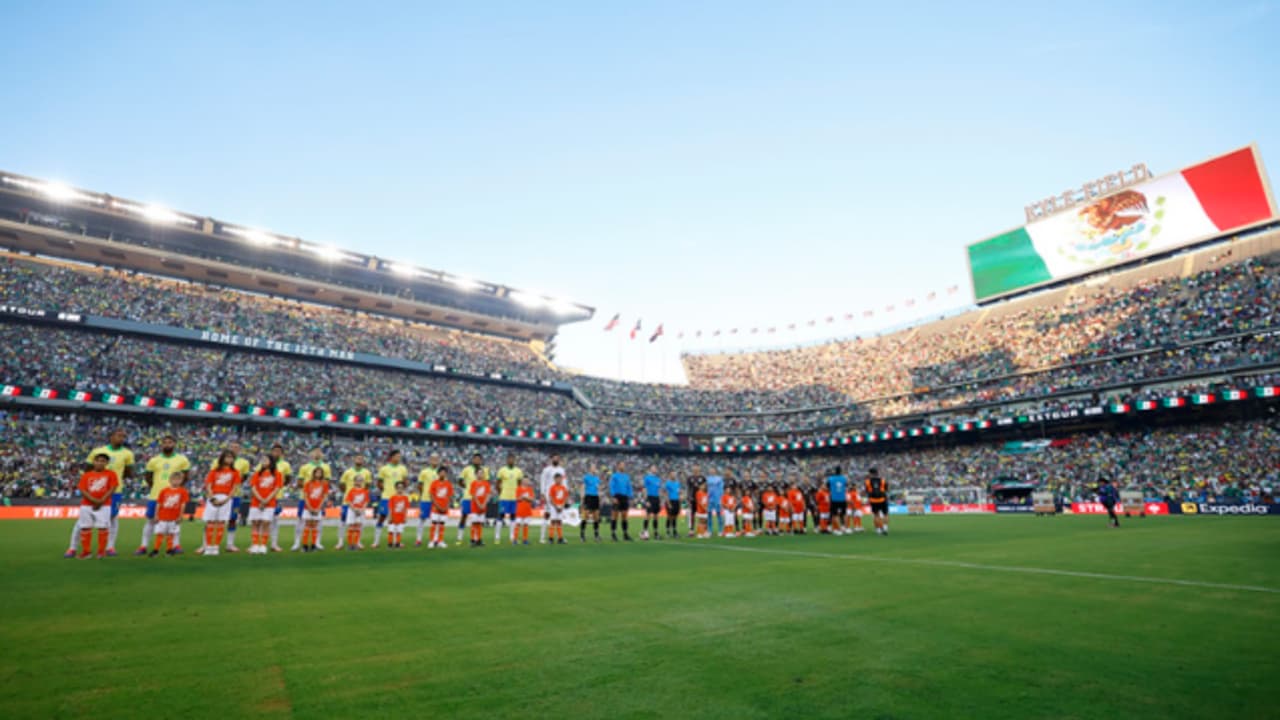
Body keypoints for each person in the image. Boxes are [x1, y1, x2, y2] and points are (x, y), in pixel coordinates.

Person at [66, 428, 135, 559]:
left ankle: (109, 547)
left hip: (115, 491)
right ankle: (73, 547)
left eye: (123, 436)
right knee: (82, 522)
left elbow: (129, 472)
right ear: (111, 436)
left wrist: (116, 479)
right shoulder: (97, 451)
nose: (122, 438)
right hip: (94, 491)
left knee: (112, 519)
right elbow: (87, 470)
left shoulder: (128, 453)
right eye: (119, 435)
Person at [136, 435, 191, 556]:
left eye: (170, 442)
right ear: (161, 445)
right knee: (150, 520)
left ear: (174, 444)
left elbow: (186, 476)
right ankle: (143, 546)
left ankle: (176, 545)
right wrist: (156, 487)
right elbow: (148, 476)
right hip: (156, 495)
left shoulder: (182, 460)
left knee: (175, 521)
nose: (167, 444)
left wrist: (176, 489)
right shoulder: (154, 460)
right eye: (165, 442)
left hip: (174, 497)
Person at [202, 443, 250, 554]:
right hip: (214, 495)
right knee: (210, 520)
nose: (234, 449)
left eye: (237, 447)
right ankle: (205, 545)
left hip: (233, 496)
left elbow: (244, 478)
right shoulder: (215, 465)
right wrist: (212, 497)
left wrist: (228, 497)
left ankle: (229, 544)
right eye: (232, 447)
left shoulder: (243, 463)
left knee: (231, 519)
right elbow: (209, 482)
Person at [75, 453, 118, 559]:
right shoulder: (86, 475)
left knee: (103, 528)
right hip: (86, 505)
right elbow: (83, 490)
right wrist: (95, 501)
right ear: (93, 462)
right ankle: (86, 552)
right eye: (97, 460)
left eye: (103, 461)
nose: (100, 463)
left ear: (107, 463)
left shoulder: (111, 474)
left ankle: (101, 552)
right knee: (85, 527)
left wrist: (101, 501)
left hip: (104, 505)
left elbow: (112, 488)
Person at [293, 449, 332, 551]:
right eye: (315, 452)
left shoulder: (326, 467)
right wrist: (309, 489)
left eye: (319, 452)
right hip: (305, 498)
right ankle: (297, 542)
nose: (317, 453)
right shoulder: (304, 467)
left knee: (318, 521)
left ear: (322, 455)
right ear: (311, 454)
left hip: (318, 500)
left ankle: (317, 542)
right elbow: (300, 482)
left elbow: (327, 483)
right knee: (301, 520)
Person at [248, 455, 284, 555]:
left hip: (270, 502)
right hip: (256, 502)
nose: (263, 461)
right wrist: (260, 499)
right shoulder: (257, 474)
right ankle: (255, 545)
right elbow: (253, 487)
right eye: (262, 459)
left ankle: (263, 545)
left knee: (265, 522)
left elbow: (277, 488)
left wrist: (266, 500)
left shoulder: (277, 474)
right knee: (255, 522)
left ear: (271, 461)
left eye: (266, 459)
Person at [150, 471, 190, 557]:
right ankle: (156, 550)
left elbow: (183, 504)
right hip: (162, 516)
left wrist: (180, 516)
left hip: (174, 517)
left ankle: (169, 550)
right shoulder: (164, 491)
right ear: (170, 480)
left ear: (181, 481)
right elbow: (159, 503)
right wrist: (156, 515)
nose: (176, 481)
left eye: (178, 479)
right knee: (159, 533)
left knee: (171, 534)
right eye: (174, 479)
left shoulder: (183, 491)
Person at [375, 449, 409, 549]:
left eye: (399, 456)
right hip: (386, 497)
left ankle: (396, 541)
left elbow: (405, 482)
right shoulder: (384, 469)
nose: (399, 458)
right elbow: (379, 483)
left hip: (399, 499)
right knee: (382, 517)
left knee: (398, 520)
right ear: (392, 457)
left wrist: (401, 493)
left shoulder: (403, 468)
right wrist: (385, 490)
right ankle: (376, 541)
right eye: (397, 456)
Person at [337, 455, 372, 549]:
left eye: (361, 458)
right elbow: (341, 484)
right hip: (348, 501)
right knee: (343, 521)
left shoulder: (366, 472)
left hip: (360, 502)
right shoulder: (348, 472)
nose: (359, 460)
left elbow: (368, 485)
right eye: (357, 458)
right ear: (354, 459)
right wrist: (348, 493)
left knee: (359, 523)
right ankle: (340, 542)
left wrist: (361, 495)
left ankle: (358, 542)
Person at [458, 453, 490, 545]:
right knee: (464, 516)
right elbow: (460, 481)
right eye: (475, 459)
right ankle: (460, 536)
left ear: (481, 460)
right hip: (468, 497)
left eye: (479, 459)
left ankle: (477, 538)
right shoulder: (466, 469)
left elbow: (486, 483)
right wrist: (466, 487)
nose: (477, 460)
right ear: (472, 460)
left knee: (478, 520)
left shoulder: (485, 470)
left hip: (480, 500)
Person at [266, 444, 293, 553]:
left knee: (275, 520)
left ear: (281, 453)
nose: (276, 453)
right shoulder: (265, 462)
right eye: (275, 451)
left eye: (279, 451)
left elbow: (288, 478)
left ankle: (274, 543)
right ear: (271, 452)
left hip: (277, 495)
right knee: (263, 520)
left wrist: (279, 487)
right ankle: (260, 543)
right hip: (264, 495)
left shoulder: (285, 464)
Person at [495, 454, 524, 545]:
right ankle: (497, 537)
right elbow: (497, 484)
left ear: (514, 460)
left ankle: (512, 536)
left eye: (512, 459)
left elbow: (519, 485)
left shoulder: (518, 471)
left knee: (513, 517)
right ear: (507, 460)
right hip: (504, 497)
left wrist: (518, 495)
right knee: (501, 516)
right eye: (509, 459)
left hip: (514, 498)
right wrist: (501, 493)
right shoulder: (502, 470)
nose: (511, 460)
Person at [300, 467, 330, 552]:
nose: (318, 474)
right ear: (314, 473)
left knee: (315, 526)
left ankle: (313, 545)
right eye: (317, 472)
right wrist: (309, 507)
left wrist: (319, 507)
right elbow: (305, 496)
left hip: (318, 508)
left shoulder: (324, 484)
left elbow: (324, 496)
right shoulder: (308, 483)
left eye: (320, 473)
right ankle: (305, 546)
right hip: (308, 507)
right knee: (307, 525)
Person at [414, 453, 441, 546]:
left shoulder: (441, 472)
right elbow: (420, 485)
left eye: (436, 458)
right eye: (433, 458)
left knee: (436, 520)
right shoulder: (424, 472)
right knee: (422, 519)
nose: (435, 460)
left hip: (437, 500)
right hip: (426, 499)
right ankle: (418, 539)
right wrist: (423, 494)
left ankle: (435, 539)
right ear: (430, 460)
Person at [538, 453, 565, 544]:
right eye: (554, 458)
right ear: (551, 459)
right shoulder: (546, 470)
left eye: (557, 458)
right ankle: (542, 537)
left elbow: (564, 482)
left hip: (559, 496)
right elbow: (543, 481)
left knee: (558, 517)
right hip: (548, 495)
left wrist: (565, 494)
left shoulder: (561, 470)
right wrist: (542, 493)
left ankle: (559, 537)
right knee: (547, 515)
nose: (556, 459)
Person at [426, 466, 453, 549]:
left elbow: (450, 496)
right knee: (434, 524)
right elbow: (431, 495)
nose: (443, 474)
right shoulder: (434, 483)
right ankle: (432, 541)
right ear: (438, 473)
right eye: (441, 472)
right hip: (435, 507)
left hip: (444, 507)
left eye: (444, 472)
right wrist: (437, 505)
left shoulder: (448, 484)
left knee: (442, 524)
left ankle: (440, 541)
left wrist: (447, 506)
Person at [344, 473, 371, 550]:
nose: (359, 482)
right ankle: (350, 544)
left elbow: (366, 501)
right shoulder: (351, 491)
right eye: (358, 480)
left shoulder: (365, 491)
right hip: (352, 511)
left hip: (360, 511)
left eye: (361, 480)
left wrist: (362, 509)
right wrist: (354, 509)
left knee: (357, 527)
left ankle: (355, 544)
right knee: (351, 527)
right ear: (354, 481)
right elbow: (349, 501)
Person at [609, 462, 633, 542]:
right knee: (615, 516)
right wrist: (613, 496)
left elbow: (629, 487)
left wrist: (630, 496)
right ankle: (613, 534)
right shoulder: (614, 476)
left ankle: (625, 534)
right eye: (621, 465)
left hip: (624, 497)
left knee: (624, 516)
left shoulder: (627, 476)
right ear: (618, 466)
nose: (623, 466)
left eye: (624, 465)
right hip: (617, 496)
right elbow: (611, 486)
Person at [468, 470, 493, 547]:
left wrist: (484, 504)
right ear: (476, 474)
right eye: (479, 473)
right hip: (475, 506)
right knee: (474, 523)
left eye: (482, 473)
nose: (480, 475)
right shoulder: (473, 483)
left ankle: (478, 539)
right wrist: (479, 504)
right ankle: (473, 539)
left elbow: (488, 495)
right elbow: (473, 495)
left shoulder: (486, 483)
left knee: (479, 523)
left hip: (483, 507)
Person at [386, 481, 410, 548]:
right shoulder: (392, 497)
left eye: (401, 488)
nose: (400, 489)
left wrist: (405, 517)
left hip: (401, 517)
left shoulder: (405, 498)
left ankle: (397, 543)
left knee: (399, 531)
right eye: (398, 487)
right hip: (393, 517)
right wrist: (390, 517)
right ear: (396, 488)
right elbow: (390, 508)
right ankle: (390, 544)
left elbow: (406, 508)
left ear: (403, 489)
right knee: (391, 531)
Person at [865, 468, 889, 536]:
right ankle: (885, 528)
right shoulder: (883, 480)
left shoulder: (867, 481)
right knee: (885, 514)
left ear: (870, 473)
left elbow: (867, 491)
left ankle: (878, 530)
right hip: (882, 499)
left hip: (873, 500)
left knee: (876, 515)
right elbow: (886, 489)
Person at [547, 472, 569, 544]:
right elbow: (551, 498)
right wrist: (556, 506)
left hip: (561, 506)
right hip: (554, 506)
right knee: (553, 521)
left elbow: (566, 497)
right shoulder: (552, 487)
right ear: (555, 479)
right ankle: (551, 538)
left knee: (559, 522)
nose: (559, 480)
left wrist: (562, 505)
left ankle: (560, 538)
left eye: (560, 478)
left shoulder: (563, 488)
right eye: (557, 478)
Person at [641, 467, 663, 540]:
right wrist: (646, 500)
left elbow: (659, 490)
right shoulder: (647, 478)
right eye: (653, 468)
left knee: (656, 516)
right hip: (650, 497)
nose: (654, 469)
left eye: (655, 468)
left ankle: (656, 533)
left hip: (656, 498)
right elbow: (644, 489)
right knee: (648, 515)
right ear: (650, 469)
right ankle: (645, 532)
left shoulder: (658, 479)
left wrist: (660, 501)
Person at [827, 467, 849, 536]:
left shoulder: (830, 478)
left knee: (835, 514)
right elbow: (846, 486)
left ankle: (838, 530)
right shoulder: (844, 478)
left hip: (834, 498)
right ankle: (845, 528)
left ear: (834, 471)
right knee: (844, 513)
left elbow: (828, 487)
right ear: (841, 471)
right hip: (843, 498)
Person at [515, 477, 536, 545]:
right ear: (522, 481)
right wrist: (524, 498)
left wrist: (524, 497)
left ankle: (525, 539)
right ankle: (515, 539)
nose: (526, 482)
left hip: (527, 510)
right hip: (519, 510)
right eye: (525, 480)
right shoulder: (518, 489)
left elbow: (532, 499)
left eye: (527, 480)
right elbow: (517, 498)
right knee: (518, 524)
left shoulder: (530, 489)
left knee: (526, 524)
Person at [706, 472, 725, 537]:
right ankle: (709, 530)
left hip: (717, 499)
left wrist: (721, 499)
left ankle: (720, 530)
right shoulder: (707, 479)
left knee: (719, 515)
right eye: (711, 470)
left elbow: (721, 489)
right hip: (709, 499)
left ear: (715, 471)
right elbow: (706, 489)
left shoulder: (719, 479)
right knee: (709, 515)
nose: (712, 471)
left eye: (713, 470)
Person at [663, 473, 682, 539]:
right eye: (672, 475)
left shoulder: (678, 483)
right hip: (670, 501)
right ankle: (668, 532)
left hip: (676, 501)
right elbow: (666, 494)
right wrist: (668, 503)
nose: (674, 476)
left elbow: (679, 493)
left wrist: (680, 502)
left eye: (674, 475)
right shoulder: (667, 483)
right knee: (669, 516)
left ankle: (674, 531)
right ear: (670, 476)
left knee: (675, 517)